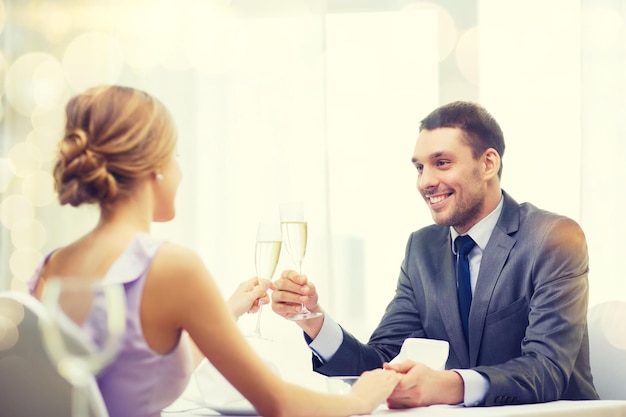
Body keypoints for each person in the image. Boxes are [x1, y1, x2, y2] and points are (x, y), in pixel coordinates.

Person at [27, 85, 401, 417]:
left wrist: (226, 313)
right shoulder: (171, 266)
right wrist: (360, 400)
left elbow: (127, 378)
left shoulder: (50, 265)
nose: (180, 171)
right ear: (154, 167)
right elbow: (278, 404)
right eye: (175, 156)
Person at [271, 101, 599, 408]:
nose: (426, 182)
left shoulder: (553, 238)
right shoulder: (422, 249)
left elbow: (546, 371)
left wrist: (444, 385)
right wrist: (314, 320)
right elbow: (380, 363)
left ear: (488, 163)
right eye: (419, 167)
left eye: (441, 163)